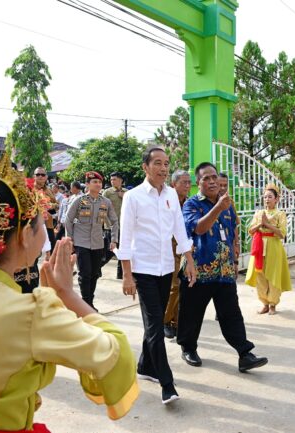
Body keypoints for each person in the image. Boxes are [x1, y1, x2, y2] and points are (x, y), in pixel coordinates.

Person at [0, 150, 138, 432]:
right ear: (24, 236)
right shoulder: (31, 312)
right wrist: (68, 296)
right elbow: (114, 354)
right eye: (40, 221)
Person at [117, 147, 197, 405]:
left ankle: (146, 366)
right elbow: (125, 236)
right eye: (158, 163)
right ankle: (167, 383)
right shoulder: (133, 197)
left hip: (166, 268)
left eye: (166, 163)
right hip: (143, 270)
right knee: (155, 326)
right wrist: (127, 275)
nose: (163, 168)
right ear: (145, 167)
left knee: (155, 320)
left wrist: (190, 261)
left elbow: (179, 230)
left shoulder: (172, 194)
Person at [178, 162, 268, 373]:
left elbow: (232, 233)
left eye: (214, 177)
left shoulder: (228, 204)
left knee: (231, 314)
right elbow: (199, 229)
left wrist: (235, 261)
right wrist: (218, 207)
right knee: (191, 313)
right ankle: (188, 348)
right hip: (198, 271)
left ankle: (245, 353)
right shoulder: (191, 204)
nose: (211, 182)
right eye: (205, 179)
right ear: (198, 183)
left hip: (224, 271)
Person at [65, 171, 118, 310]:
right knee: (85, 274)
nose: (98, 184)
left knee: (94, 274)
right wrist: (69, 239)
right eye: (95, 182)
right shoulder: (79, 200)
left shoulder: (105, 202)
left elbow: (114, 221)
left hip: (97, 243)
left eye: (100, 182)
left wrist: (114, 239)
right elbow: (68, 219)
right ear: (87, 184)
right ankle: (86, 304)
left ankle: (89, 302)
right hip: (81, 242)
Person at [245, 183, 292, 315]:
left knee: (273, 275)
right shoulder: (259, 213)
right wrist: (261, 223)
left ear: (276, 199)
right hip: (259, 247)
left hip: (274, 246)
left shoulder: (280, 214)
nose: (267, 199)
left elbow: (282, 233)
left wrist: (267, 225)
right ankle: (264, 303)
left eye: (270, 197)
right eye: (265, 197)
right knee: (260, 276)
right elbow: (250, 231)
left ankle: (273, 304)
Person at [163, 169, 191, 340]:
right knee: (174, 286)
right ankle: (165, 321)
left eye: (189, 182)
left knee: (183, 287)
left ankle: (175, 321)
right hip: (168, 249)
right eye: (184, 182)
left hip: (185, 250)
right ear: (174, 184)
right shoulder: (166, 202)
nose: (188, 186)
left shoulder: (188, 204)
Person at [102, 171, 127, 279]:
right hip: (110, 226)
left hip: (124, 226)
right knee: (110, 251)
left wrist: (124, 196)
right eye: (111, 179)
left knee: (123, 250)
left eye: (115, 179)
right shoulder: (107, 193)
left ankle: (120, 274)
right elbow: (101, 208)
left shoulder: (127, 192)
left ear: (121, 180)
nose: (112, 181)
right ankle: (97, 267)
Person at [33, 167, 58, 252]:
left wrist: (49, 206)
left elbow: (57, 204)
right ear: (34, 176)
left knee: (52, 250)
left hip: (48, 223)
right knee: (35, 253)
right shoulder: (29, 189)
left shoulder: (48, 190)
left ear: (46, 177)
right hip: (34, 224)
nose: (40, 176)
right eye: (38, 174)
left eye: (43, 175)